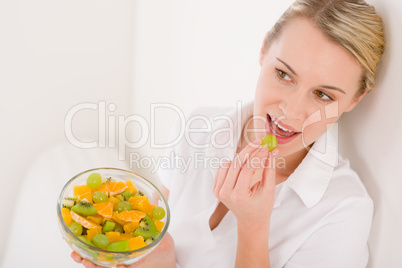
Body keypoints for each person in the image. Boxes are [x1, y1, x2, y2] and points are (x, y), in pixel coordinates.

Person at [71, 0, 385, 267]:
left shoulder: (344, 211)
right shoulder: (197, 127)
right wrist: (158, 256)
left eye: (323, 95)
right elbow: (157, 235)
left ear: (355, 99)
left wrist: (253, 226)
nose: (291, 111)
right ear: (263, 50)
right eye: (284, 74)